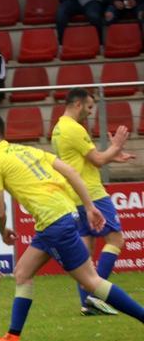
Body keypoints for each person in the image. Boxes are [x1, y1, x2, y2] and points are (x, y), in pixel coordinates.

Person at [0, 112, 144, 341]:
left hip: (54, 222)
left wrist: (2, 232)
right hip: (62, 215)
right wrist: (89, 206)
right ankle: (12, 338)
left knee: (91, 282)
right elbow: (71, 172)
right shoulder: (29, 150)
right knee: (22, 272)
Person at [50, 88, 136, 316]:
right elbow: (97, 160)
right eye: (88, 107)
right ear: (77, 104)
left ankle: (86, 304)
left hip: (74, 194)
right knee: (116, 239)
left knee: (85, 251)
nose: (90, 112)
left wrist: (112, 154)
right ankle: (95, 296)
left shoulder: (58, 129)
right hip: (92, 193)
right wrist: (115, 147)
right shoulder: (74, 129)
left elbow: (87, 159)